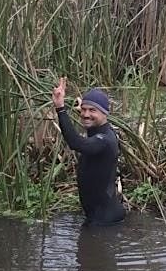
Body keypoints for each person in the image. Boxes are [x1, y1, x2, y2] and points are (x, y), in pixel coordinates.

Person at [51, 77, 126, 226]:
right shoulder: (100, 131)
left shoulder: (104, 140)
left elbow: (75, 142)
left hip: (104, 220)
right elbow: (89, 129)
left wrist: (60, 108)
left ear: (105, 114)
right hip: (98, 215)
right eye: (83, 110)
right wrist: (85, 110)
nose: (85, 114)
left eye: (92, 110)